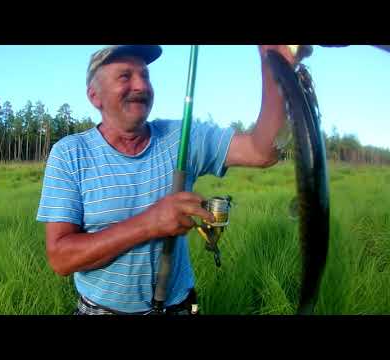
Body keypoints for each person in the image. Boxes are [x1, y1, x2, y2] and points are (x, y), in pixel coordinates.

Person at [37, 44, 306, 315]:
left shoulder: (181, 136)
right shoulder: (70, 153)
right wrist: (150, 223)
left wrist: (273, 62)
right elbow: (61, 258)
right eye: (125, 76)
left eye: (145, 75)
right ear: (95, 96)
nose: (141, 85)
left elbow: (262, 151)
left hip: (178, 307)